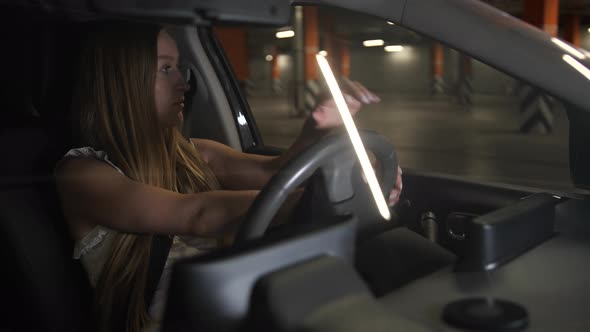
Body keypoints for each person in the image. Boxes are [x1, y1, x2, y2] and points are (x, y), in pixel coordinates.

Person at [55, 21, 403, 332]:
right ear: (123, 81)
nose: (184, 83)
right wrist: (324, 200)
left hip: (226, 308)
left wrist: (316, 130)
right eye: (166, 69)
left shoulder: (193, 153)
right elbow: (197, 214)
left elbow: (271, 173)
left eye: (179, 68)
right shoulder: (83, 175)